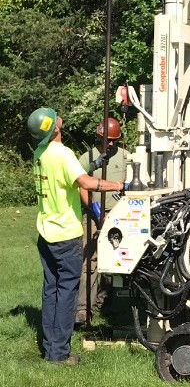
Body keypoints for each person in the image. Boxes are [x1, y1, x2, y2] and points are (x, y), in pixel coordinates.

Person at [28, 107, 127, 365]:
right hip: (66, 235)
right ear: (55, 128)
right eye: (56, 116)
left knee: (51, 290)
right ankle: (60, 354)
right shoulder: (62, 153)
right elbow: (85, 183)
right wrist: (120, 185)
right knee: (67, 291)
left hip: (46, 232)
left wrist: (96, 164)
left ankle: (50, 347)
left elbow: (66, 179)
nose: (59, 116)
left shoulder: (40, 153)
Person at [76, 117, 131, 323]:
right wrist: (96, 210)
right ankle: (83, 309)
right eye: (107, 140)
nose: (110, 144)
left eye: (114, 141)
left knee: (123, 260)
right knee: (90, 261)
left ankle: (117, 304)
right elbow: (82, 186)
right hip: (93, 215)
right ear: (99, 136)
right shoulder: (87, 158)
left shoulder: (126, 157)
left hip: (121, 216)